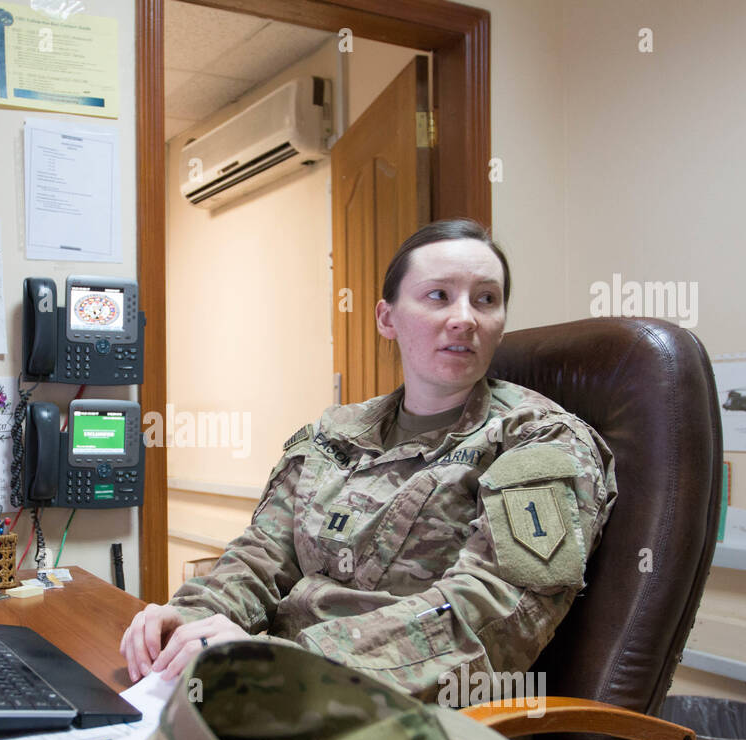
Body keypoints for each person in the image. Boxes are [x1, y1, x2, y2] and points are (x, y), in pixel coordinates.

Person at [120, 219, 617, 701]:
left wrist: (280, 663)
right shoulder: (334, 434)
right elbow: (262, 556)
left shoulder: (540, 442)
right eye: (439, 295)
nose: (465, 317)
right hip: (267, 689)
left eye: (486, 299)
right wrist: (190, 617)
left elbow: (491, 616)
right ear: (387, 318)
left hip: (404, 717)